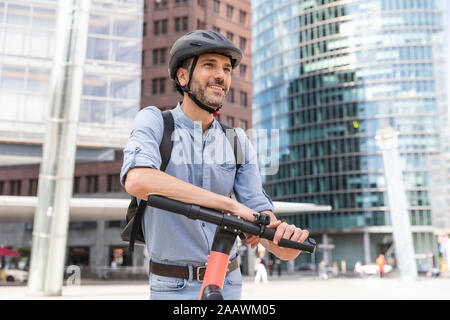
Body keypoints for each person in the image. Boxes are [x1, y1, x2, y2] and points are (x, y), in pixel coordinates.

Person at [120, 30, 310, 300]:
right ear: (183, 77)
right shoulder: (155, 122)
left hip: (228, 283)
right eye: (210, 65)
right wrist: (229, 205)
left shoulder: (237, 141)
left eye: (226, 69)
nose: (221, 75)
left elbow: (260, 218)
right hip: (171, 287)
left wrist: (285, 241)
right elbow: (138, 180)